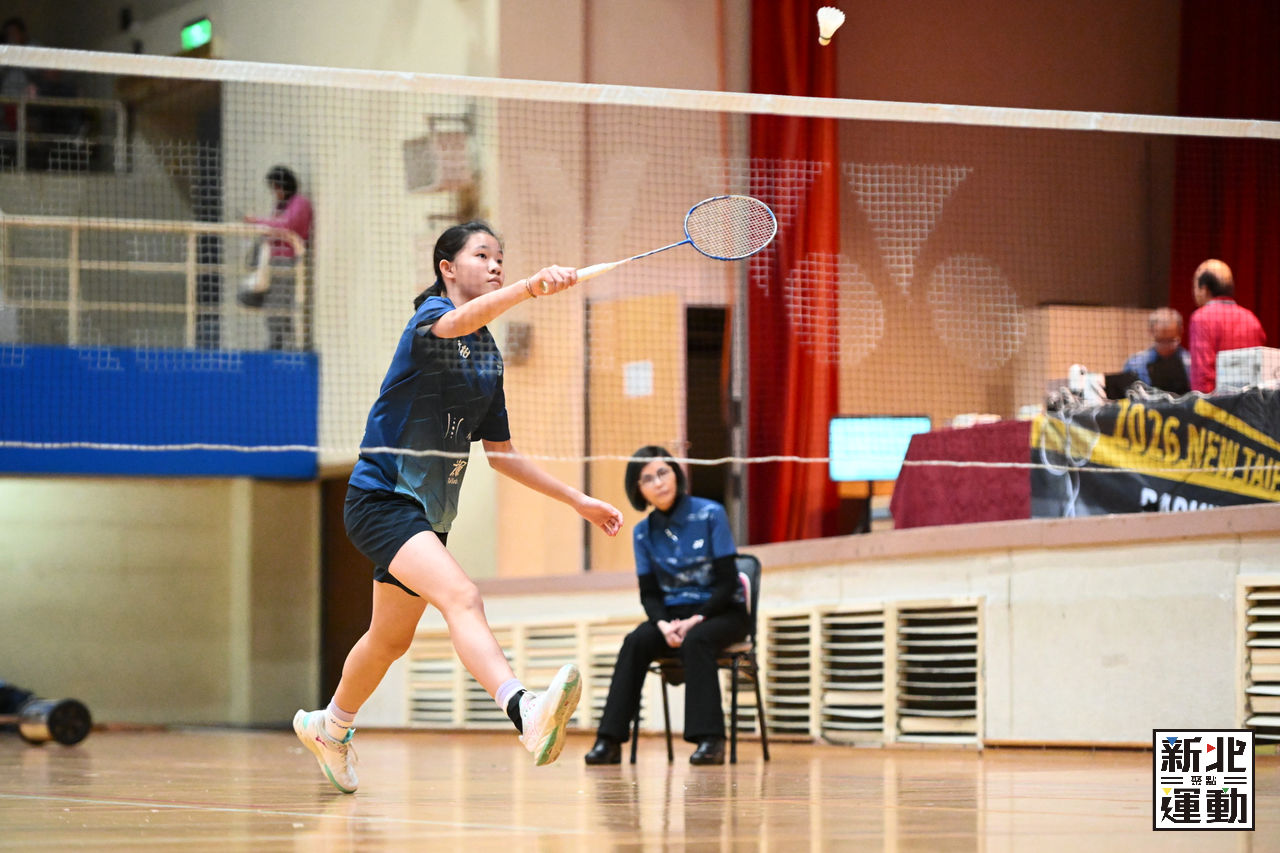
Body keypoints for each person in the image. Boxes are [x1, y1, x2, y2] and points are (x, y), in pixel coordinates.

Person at [294, 221, 624, 793]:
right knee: (462, 596)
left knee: (389, 639)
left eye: (501, 257)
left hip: (429, 515)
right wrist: (529, 288)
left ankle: (330, 727)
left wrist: (578, 500)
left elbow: (502, 455)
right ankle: (524, 710)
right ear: (447, 268)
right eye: (482, 255)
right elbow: (457, 323)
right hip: (383, 496)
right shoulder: (429, 320)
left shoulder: (488, 358)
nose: (495, 264)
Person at [583, 446, 749, 767]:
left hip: (722, 612)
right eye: (648, 479)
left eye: (663, 473)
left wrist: (696, 619)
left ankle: (710, 740)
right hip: (672, 617)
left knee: (697, 639)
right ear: (638, 490)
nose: (658, 482)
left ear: (676, 474)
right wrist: (662, 624)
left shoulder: (711, 513)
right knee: (635, 642)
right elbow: (649, 594)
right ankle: (609, 741)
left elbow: (729, 582)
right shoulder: (642, 533)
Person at [242, 165, 313, 350]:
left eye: (277, 187)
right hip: (271, 262)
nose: (276, 193)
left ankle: (286, 345)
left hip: (286, 261)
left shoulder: (300, 203)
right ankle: (276, 343)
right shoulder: (280, 207)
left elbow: (287, 225)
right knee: (270, 306)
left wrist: (257, 221)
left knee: (281, 306)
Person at [1187, 259, 1266, 393]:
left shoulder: (1201, 318)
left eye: (1194, 286)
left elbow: (1202, 375)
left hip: (1217, 403)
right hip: (1251, 402)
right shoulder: (1251, 318)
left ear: (1204, 289)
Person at [1122, 307, 1190, 394]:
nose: (1165, 346)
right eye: (1160, 340)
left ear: (1181, 331)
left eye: (1171, 340)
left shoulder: (1191, 363)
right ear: (1151, 331)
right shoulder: (1134, 364)